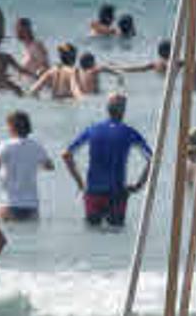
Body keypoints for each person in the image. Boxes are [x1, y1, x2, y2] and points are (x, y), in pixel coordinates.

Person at [62, 93, 152, 227]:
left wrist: (80, 183)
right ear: (123, 111)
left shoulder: (92, 130)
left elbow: (66, 155)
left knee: (92, 235)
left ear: (107, 109)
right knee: (117, 234)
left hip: (93, 192)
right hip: (117, 193)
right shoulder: (129, 132)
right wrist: (139, 184)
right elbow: (153, 159)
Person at [0, 110, 54, 221]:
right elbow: (50, 167)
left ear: (12, 127)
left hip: (9, 204)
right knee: (31, 237)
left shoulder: (5, 145)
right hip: (31, 205)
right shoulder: (36, 146)